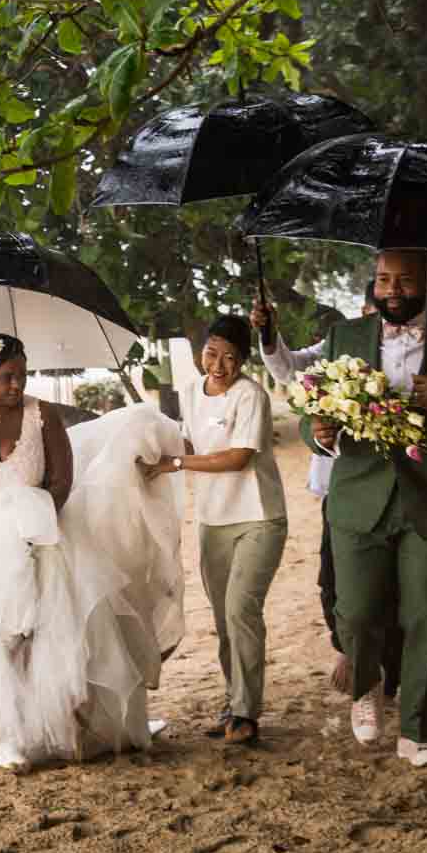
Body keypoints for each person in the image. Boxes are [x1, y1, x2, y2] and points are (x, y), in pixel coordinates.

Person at [254, 250, 427, 768]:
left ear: (426, 281)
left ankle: (418, 733)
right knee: (359, 613)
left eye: (405, 280)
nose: (392, 289)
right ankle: (366, 685)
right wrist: (318, 434)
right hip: (358, 498)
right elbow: (311, 409)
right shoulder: (346, 337)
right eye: (384, 279)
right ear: (373, 284)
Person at [0, 333, 183, 769]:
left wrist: (33, 528)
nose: (16, 385)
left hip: (36, 534)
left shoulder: (42, 415)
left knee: (34, 635)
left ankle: (23, 733)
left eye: (22, 376)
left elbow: (61, 482)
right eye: (7, 377)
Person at [141, 314, 285, 746]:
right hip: (212, 520)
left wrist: (176, 464)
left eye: (230, 357)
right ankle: (232, 704)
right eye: (211, 353)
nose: (218, 365)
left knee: (242, 610)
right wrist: (147, 447)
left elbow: (237, 457)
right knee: (225, 621)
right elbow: (190, 444)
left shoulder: (251, 397)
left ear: (243, 361)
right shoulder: (188, 392)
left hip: (258, 517)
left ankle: (246, 713)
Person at [307, 288, 404, 701]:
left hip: (396, 491)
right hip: (340, 494)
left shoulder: (400, 368)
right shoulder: (339, 358)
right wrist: (269, 335)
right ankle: (349, 650)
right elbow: (291, 371)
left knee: (392, 590)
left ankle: (387, 674)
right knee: (332, 584)